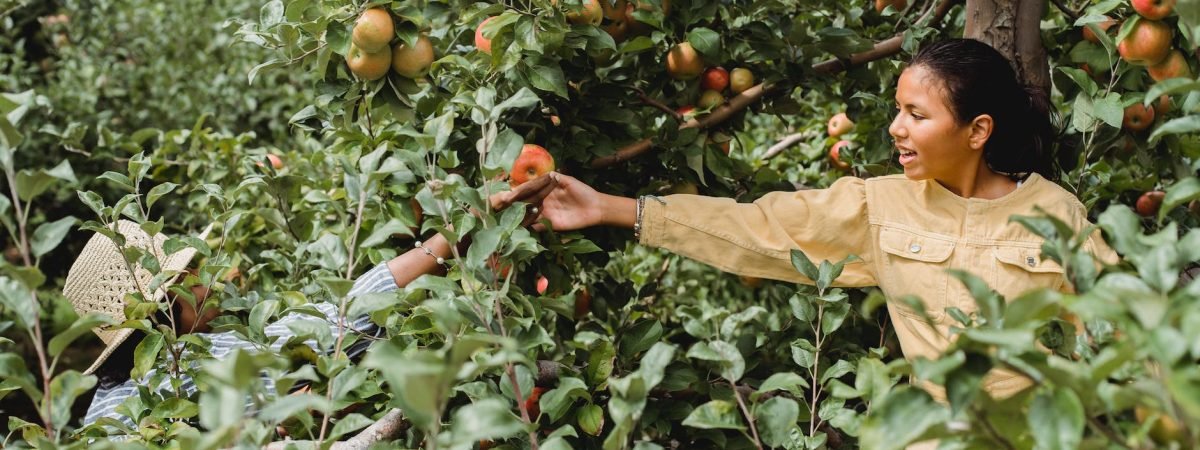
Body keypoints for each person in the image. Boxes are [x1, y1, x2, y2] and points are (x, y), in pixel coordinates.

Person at [534, 39, 1118, 402]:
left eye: (916, 114)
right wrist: (611, 209)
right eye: (897, 110)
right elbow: (758, 228)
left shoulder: (1054, 214)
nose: (896, 128)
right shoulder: (878, 206)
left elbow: (1120, 335)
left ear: (977, 131)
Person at [69, 175, 556, 431]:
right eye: (191, 279)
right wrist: (450, 236)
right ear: (162, 306)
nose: (208, 283)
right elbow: (341, 320)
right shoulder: (203, 365)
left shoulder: (101, 415)